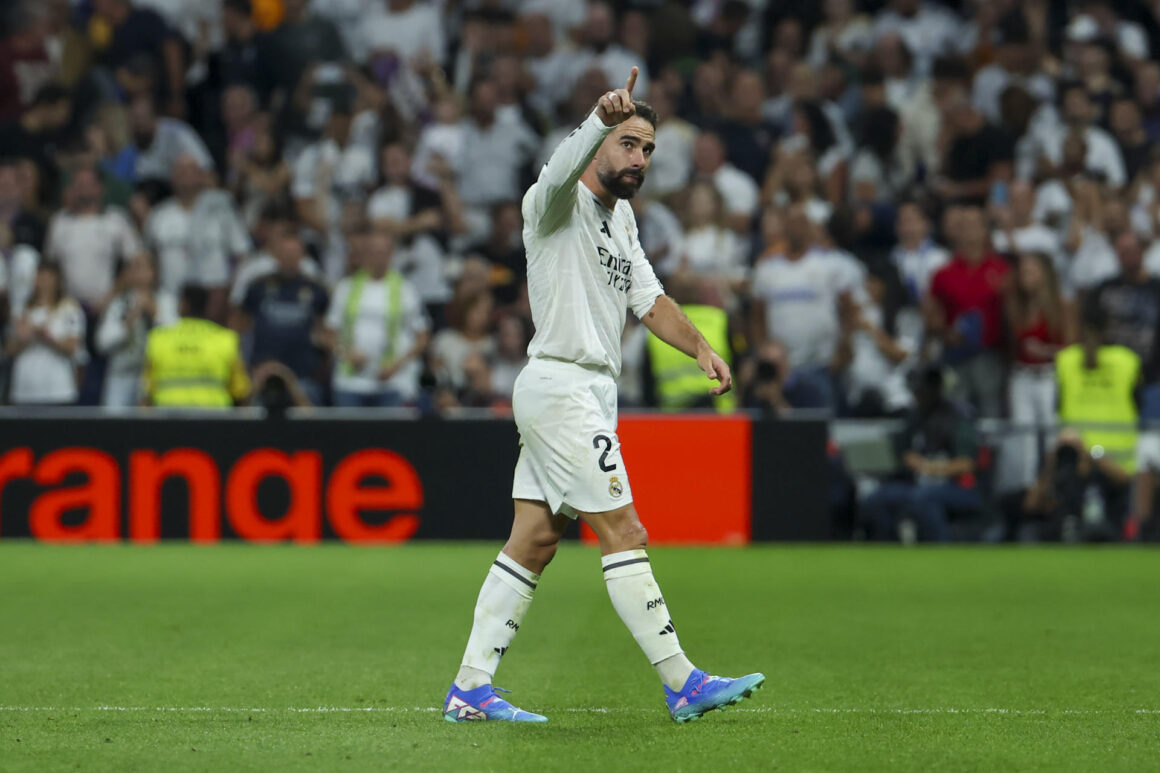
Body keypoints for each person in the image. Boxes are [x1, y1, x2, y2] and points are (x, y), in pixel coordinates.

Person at [442, 68, 763, 725]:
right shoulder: (553, 204)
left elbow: (649, 299)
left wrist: (700, 346)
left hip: (584, 388)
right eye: (628, 144)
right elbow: (560, 170)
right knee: (625, 529)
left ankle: (470, 688)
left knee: (533, 540)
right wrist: (597, 118)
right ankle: (682, 681)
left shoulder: (623, 221)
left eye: (647, 148)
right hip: (562, 386)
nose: (639, 157)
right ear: (597, 146)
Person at [858, 366, 982, 542]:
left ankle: (939, 552)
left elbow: (967, 463)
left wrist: (926, 466)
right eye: (915, 391)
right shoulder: (915, 416)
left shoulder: (957, 416)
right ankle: (887, 552)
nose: (918, 396)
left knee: (925, 497)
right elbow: (901, 452)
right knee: (876, 499)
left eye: (922, 391)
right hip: (917, 484)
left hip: (956, 487)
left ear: (935, 389)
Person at [323, 231, 429, 407]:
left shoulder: (406, 290)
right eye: (372, 252)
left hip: (392, 382)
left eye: (383, 252)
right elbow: (328, 334)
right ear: (363, 254)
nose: (378, 257)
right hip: (351, 382)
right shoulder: (345, 288)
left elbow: (422, 338)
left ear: (391, 254)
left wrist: (397, 366)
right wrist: (345, 353)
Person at [143, 284, 251, 408]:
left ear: (184, 305)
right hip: (214, 418)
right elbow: (240, 390)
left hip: (168, 416)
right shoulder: (226, 339)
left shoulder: (158, 339)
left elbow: (147, 389)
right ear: (206, 306)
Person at [95, 252, 178, 407]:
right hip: (121, 374)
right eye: (133, 268)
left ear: (153, 272)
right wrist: (128, 322)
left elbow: (175, 336)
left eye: (142, 267)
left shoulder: (165, 300)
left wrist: (154, 311)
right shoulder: (119, 303)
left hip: (155, 376)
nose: (137, 273)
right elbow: (102, 343)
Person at [4, 262, 85, 405]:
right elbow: (9, 349)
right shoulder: (23, 310)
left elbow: (72, 348)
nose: (44, 283)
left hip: (57, 390)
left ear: (57, 280)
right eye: (40, 277)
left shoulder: (69, 308)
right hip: (24, 390)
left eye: (48, 278)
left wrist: (46, 337)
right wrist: (26, 337)